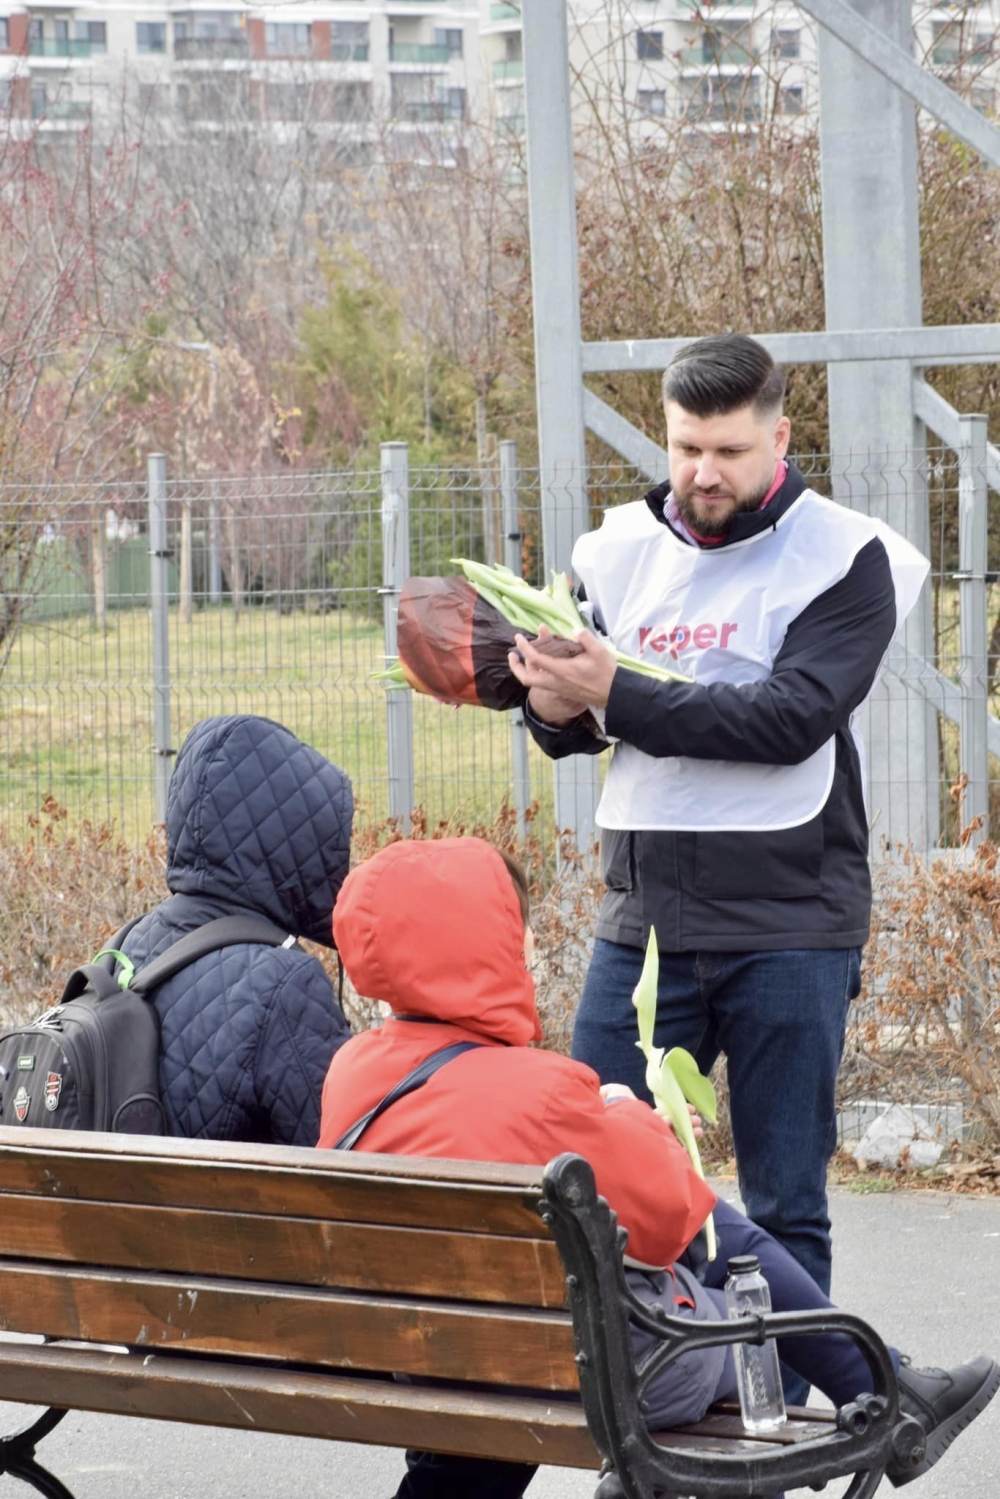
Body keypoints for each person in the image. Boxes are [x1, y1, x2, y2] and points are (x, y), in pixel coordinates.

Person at [317, 836, 998, 1499]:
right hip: (598, 1371)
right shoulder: (538, 1091)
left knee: (527, 1340)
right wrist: (640, 1121)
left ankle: (889, 1386)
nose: (525, 947)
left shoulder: (352, 1073)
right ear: (483, 951)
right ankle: (885, 1386)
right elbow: (671, 1216)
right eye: (514, 929)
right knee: (732, 1282)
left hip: (424, 1362)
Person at [507, 333, 931, 1346]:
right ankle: (647, 1413)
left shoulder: (848, 555)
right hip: (642, 924)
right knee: (596, 1185)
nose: (702, 472)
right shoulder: (614, 550)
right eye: (685, 446)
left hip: (793, 922)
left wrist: (613, 687)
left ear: (780, 438)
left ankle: (786, 1429)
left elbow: (786, 722)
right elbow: (571, 730)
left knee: (784, 1202)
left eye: (729, 451)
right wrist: (547, 695)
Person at [115, 713, 354, 1144]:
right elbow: (342, 1163)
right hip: (220, 1214)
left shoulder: (124, 945)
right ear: (300, 842)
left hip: (97, 1211)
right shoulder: (287, 986)